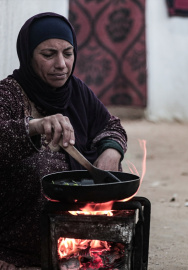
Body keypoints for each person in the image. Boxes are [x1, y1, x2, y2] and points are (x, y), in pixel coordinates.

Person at [0, 12, 127, 269]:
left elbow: (111, 125)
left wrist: (111, 150)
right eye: (48, 55)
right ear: (28, 55)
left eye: (67, 54)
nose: (61, 65)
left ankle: (86, 251)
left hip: (79, 242)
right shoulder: (9, 94)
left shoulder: (76, 91)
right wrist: (34, 126)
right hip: (17, 246)